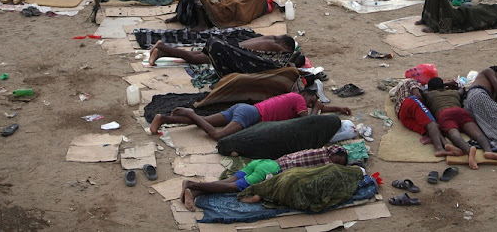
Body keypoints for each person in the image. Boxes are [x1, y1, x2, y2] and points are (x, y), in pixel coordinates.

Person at [179, 145, 348, 210]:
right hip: (271, 170)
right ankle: (192, 183)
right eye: (338, 161)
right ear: (333, 155)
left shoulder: (319, 150)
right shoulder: (325, 160)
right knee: (233, 187)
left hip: (264, 163)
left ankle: (194, 192)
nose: (337, 165)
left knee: (227, 182)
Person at [148, 90, 352, 140]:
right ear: (307, 96)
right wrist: (315, 107)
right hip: (251, 115)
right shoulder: (299, 99)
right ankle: (190, 112)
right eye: (311, 102)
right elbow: (308, 121)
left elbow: (321, 110)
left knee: (204, 122)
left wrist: (337, 109)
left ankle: (163, 118)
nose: (309, 106)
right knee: (217, 135)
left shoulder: (296, 99)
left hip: (244, 108)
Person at [423, 78, 497, 169]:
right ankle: (488, 151)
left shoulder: (430, 94)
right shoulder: (453, 93)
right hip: (460, 111)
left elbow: (423, 91)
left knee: (454, 135)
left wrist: (440, 85)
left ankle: (469, 151)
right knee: (478, 134)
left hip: (444, 113)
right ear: (443, 86)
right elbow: (462, 90)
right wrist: (450, 85)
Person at [390, 78, 460, 157]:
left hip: (401, 115)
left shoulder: (400, 89)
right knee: (431, 123)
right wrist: (426, 108)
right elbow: (417, 95)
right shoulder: (411, 81)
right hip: (411, 101)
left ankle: (445, 145)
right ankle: (439, 148)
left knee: (429, 128)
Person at [147, 33, 299, 68]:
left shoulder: (271, 37)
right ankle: (162, 47)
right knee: (195, 59)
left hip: (227, 43)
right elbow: (279, 63)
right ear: (284, 45)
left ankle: (162, 51)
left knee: (196, 54)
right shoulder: (278, 47)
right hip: (227, 50)